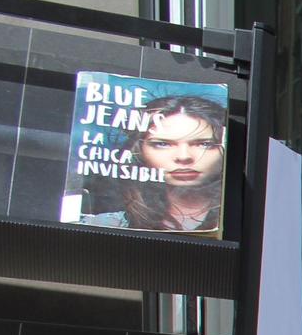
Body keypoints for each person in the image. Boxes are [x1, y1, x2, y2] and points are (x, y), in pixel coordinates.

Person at [81, 95, 226, 235]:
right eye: (162, 144)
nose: (183, 157)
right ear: (139, 150)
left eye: (204, 144)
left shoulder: (242, 225)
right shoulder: (103, 225)